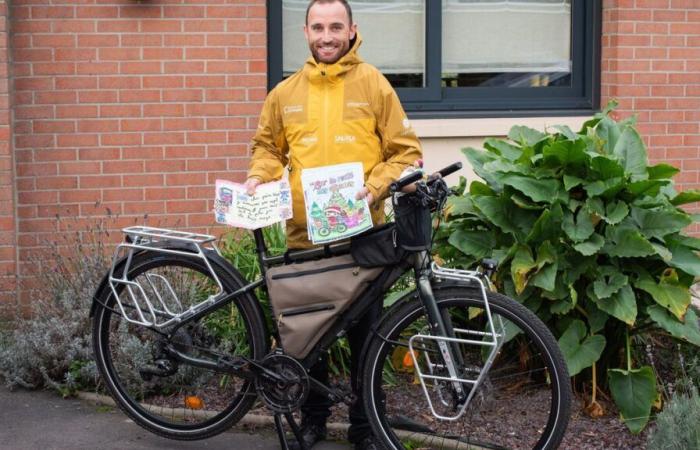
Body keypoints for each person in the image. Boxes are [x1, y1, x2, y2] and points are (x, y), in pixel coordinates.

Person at [245, 1, 422, 449]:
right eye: (319, 27)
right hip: (305, 237)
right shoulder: (285, 93)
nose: (327, 36)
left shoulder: (375, 85)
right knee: (309, 336)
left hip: (362, 237)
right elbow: (268, 149)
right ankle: (314, 419)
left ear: (352, 30)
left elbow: (404, 153)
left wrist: (375, 186)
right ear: (306, 32)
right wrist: (257, 177)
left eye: (335, 27)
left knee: (368, 337)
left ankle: (365, 426)